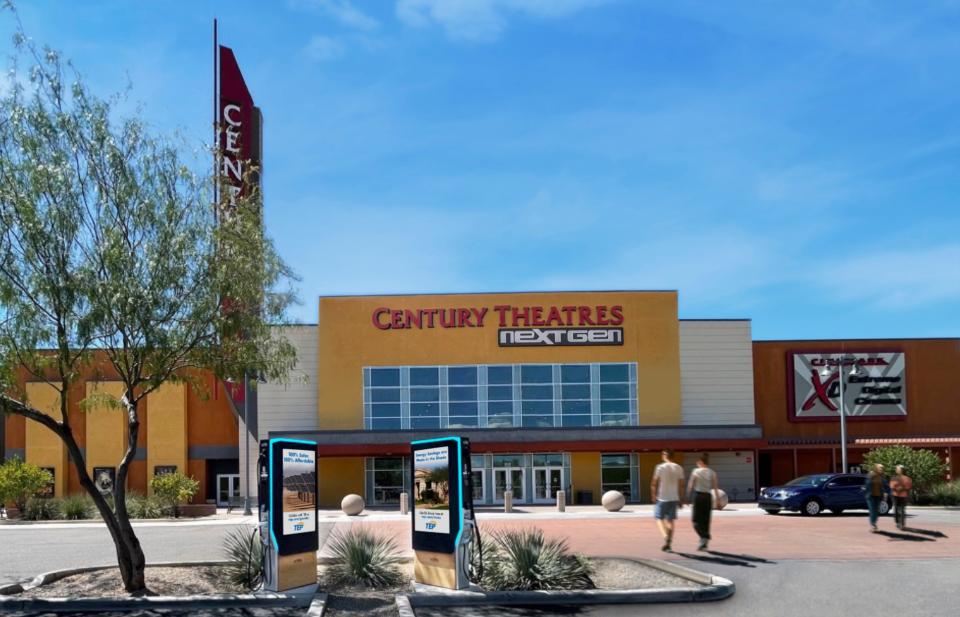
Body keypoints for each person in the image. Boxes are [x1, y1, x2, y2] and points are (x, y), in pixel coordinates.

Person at [651, 448, 685, 552]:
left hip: (662, 497)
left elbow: (654, 483)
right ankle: (668, 544)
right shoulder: (679, 468)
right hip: (674, 498)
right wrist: (681, 499)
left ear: (664, 455)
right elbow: (681, 485)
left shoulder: (660, 467)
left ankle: (666, 536)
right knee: (670, 521)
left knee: (659, 518)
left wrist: (653, 495)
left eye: (662, 454)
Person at [687, 453, 720, 551]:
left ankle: (704, 536)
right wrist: (718, 500)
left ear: (701, 462)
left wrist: (687, 496)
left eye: (697, 462)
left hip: (699, 496)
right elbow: (715, 487)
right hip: (708, 496)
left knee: (695, 520)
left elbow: (690, 484)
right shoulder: (712, 472)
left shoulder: (696, 471)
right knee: (706, 520)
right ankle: (704, 542)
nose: (696, 463)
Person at [864, 463, 887, 532]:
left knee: (876, 511)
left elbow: (885, 485)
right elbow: (867, 484)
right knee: (872, 510)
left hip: (878, 496)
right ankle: (873, 525)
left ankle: (874, 523)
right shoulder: (871, 475)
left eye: (882, 468)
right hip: (871, 496)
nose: (881, 469)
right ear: (876, 468)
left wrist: (885, 493)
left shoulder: (881, 476)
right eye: (880, 468)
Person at [889, 465, 913, 530]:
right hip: (895, 495)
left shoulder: (907, 478)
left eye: (898, 469)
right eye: (897, 469)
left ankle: (902, 524)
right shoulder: (894, 478)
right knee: (896, 509)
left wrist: (901, 488)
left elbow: (909, 486)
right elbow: (891, 486)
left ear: (902, 470)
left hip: (903, 495)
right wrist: (897, 488)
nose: (897, 470)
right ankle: (897, 521)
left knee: (902, 510)